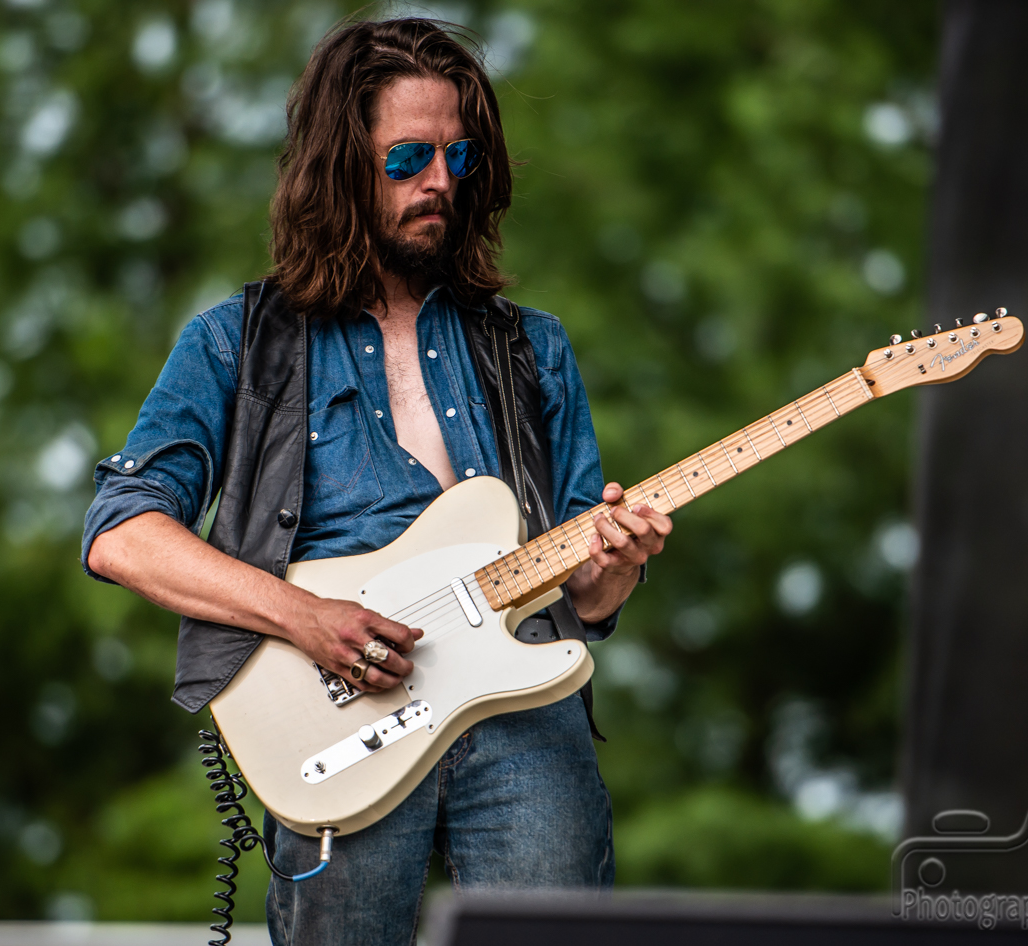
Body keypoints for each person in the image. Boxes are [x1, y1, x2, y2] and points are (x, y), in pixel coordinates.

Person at [81, 17, 671, 946]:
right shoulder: (235, 342)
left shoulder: (533, 347)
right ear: (338, 167)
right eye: (407, 159)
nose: (440, 182)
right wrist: (302, 617)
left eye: (458, 156)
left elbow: (587, 599)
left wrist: (619, 565)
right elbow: (121, 533)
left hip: (523, 715)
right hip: (339, 716)